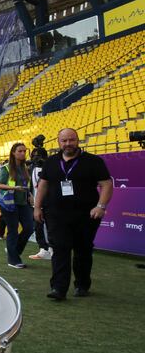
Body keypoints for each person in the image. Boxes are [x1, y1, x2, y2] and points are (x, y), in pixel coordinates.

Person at [34, 128, 113, 300]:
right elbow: (43, 186)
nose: (68, 143)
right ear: (58, 142)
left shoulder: (93, 161)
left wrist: (101, 206)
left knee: (83, 251)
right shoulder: (51, 162)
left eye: (72, 140)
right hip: (56, 215)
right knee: (60, 249)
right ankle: (58, 289)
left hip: (86, 215)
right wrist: (37, 207)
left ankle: (82, 284)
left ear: (78, 140)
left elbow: (107, 184)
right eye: (64, 140)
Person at [0, 142, 34, 269]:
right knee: (13, 230)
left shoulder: (25, 169)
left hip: (23, 203)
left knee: (29, 227)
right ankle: (13, 260)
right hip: (9, 204)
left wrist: (30, 195)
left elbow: (27, 186)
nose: (23, 153)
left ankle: (14, 251)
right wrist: (14, 187)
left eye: (24, 151)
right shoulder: (6, 168)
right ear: (13, 152)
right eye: (20, 151)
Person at [28, 145, 52, 260]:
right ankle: (43, 249)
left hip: (48, 203)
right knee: (38, 227)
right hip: (36, 203)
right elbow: (33, 186)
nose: (35, 158)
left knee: (50, 227)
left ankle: (51, 249)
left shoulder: (49, 168)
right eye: (34, 155)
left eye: (38, 156)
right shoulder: (32, 168)